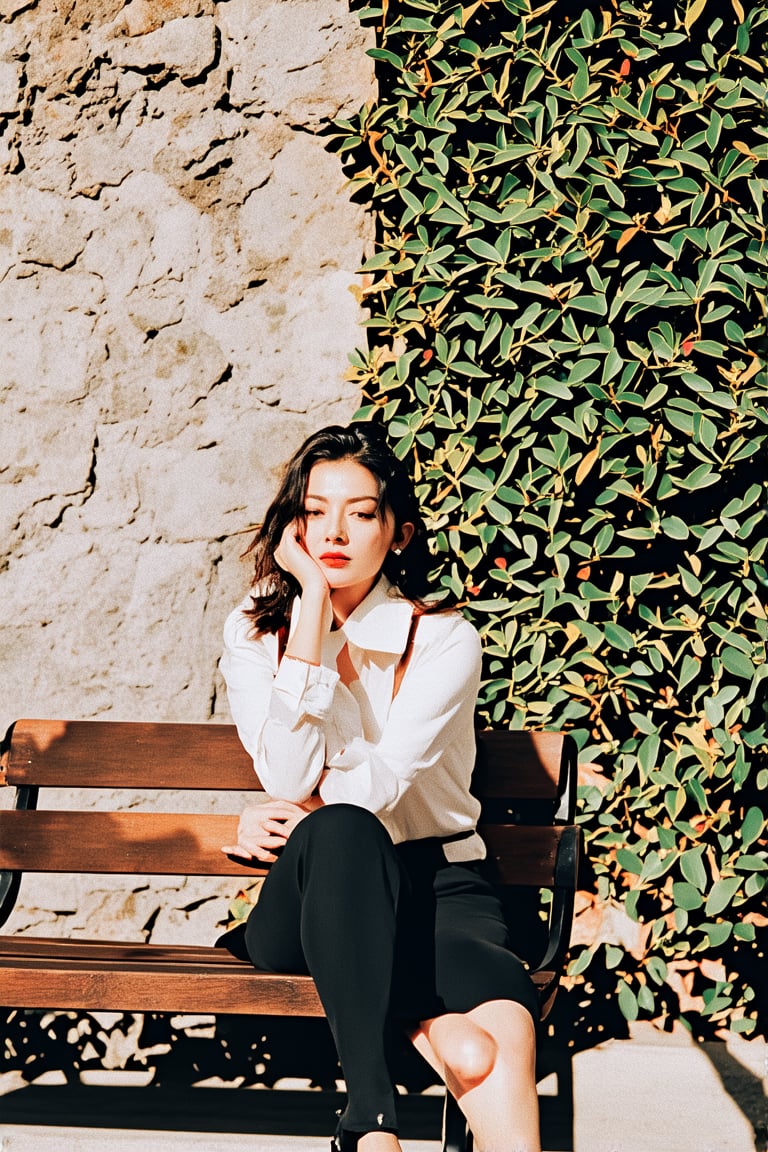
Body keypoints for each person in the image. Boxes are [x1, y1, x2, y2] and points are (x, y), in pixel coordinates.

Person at [218, 424, 540, 1152]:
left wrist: (296, 809)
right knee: (338, 833)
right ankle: (371, 1118)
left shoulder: (444, 641)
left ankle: (379, 1106)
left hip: (442, 889)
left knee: (486, 1045)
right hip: (314, 899)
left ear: (398, 536)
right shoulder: (253, 631)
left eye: (361, 513)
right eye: (314, 509)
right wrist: (306, 606)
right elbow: (292, 777)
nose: (333, 531)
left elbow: (381, 785)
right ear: (291, 525)